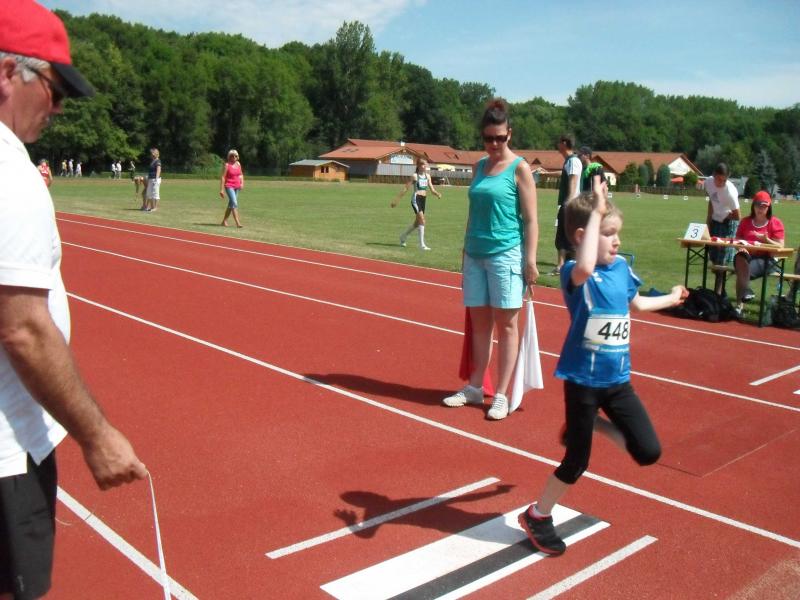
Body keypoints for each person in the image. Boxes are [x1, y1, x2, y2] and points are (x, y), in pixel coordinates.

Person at [0, 3, 148, 597]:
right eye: (54, 89)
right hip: (7, 451)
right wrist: (98, 436)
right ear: (7, 74)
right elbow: (23, 329)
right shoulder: (10, 174)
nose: (59, 108)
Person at [517, 186, 686, 556]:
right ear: (583, 236)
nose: (617, 241)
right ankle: (538, 514)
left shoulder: (621, 268)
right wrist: (596, 209)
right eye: (608, 233)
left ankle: (594, 423)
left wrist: (672, 299)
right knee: (577, 461)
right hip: (583, 383)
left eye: (616, 233)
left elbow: (638, 304)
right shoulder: (574, 273)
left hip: (618, 382)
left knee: (648, 451)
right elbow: (585, 266)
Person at [441, 98, 538, 420]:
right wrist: (464, 252)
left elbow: (531, 220)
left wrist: (530, 260)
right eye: (488, 138)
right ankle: (474, 387)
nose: (494, 144)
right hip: (475, 254)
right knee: (480, 326)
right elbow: (473, 212)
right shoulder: (479, 167)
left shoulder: (519, 168)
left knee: (507, 325)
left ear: (509, 134)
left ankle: (501, 394)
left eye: (499, 138)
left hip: (505, 254)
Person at [731, 190, 785, 317]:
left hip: (767, 258)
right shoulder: (745, 221)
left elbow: (780, 246)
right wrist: (740, 247)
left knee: (743, 270)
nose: (760, 209)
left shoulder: (775, 222)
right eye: (757, 205)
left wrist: (766, 240)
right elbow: (737, 241)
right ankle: (743, 297)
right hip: (747, 256)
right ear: (753, 206)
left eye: (764, 206)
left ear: (769, 207)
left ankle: (739, 305)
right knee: (739, 257)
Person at [704, 163, 740, 293]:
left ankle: (718, 293)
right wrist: (708, 220)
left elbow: (738, 216)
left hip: (728, 222)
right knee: (713, 256)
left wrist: (725, 216)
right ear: (714, 175)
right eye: (719, 179)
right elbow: (712, 200)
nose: (721, 183)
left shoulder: (730, 192)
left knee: (721, 259)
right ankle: (721, 290)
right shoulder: (708, 182)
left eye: (724, 180)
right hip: (715, 220)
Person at [391, 158, 441, 250]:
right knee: (422, 220)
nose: (425, 166)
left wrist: (437, 194)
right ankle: (422, 245)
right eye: (423, 164)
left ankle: (403, 236)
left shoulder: (428, 176)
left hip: (423, 199)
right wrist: (396, 200)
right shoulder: (415, 176)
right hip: (416, 199)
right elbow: (406, 188)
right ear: (418, 166)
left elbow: (432, 189)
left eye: (426, 164)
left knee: (417, 223)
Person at [553, 134, 581, 275]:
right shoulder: (570, 161)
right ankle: (562, 265)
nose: (557, 145)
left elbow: (573, 179)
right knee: (562, 235)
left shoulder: (573, 161)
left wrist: (568, 202)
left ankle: (566, 266)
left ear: (564, 143)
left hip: (570, 204)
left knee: (566, 236)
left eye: (559, 142)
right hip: (569, 204)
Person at [219, 148, 244, 227]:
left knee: (231, 204)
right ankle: (237, 222)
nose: (233, 157)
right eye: (232, 156)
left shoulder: (238, 164)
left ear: (237, 156)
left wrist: (242, 183)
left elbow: (241, 175)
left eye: (235, 156)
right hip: (229, 186)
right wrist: (222, 189)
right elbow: (223, 177)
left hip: (237, 186)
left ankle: (224, 221)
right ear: (229, 156)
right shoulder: (227, 165)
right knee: (234, 203)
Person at [144, 147, 161, 212]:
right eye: (151, 153)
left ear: (155, 154)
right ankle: (151, 207)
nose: (151, 154)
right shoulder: (152, 161)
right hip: (150, 179)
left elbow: (158, 170)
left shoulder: (158, 161)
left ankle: (155, 207)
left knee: (155, 193)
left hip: (155, 179)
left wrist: (156, 179)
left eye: (152, 153)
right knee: (149, 193)